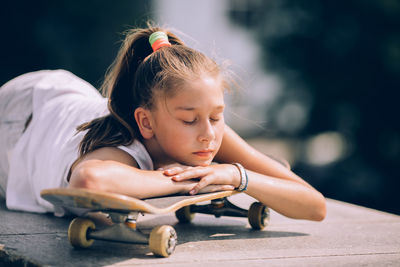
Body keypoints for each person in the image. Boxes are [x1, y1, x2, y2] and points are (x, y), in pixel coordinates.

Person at [0, 26, 326, 221]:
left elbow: (314, 205)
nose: (209, 134)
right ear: (146, 122)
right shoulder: (120, 143)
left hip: (62, 110)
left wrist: (235, 175)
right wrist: (192, 181)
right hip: (21, 119)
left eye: (217, 115)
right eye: (189, 120)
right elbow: (88, 181)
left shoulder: (207, 132)